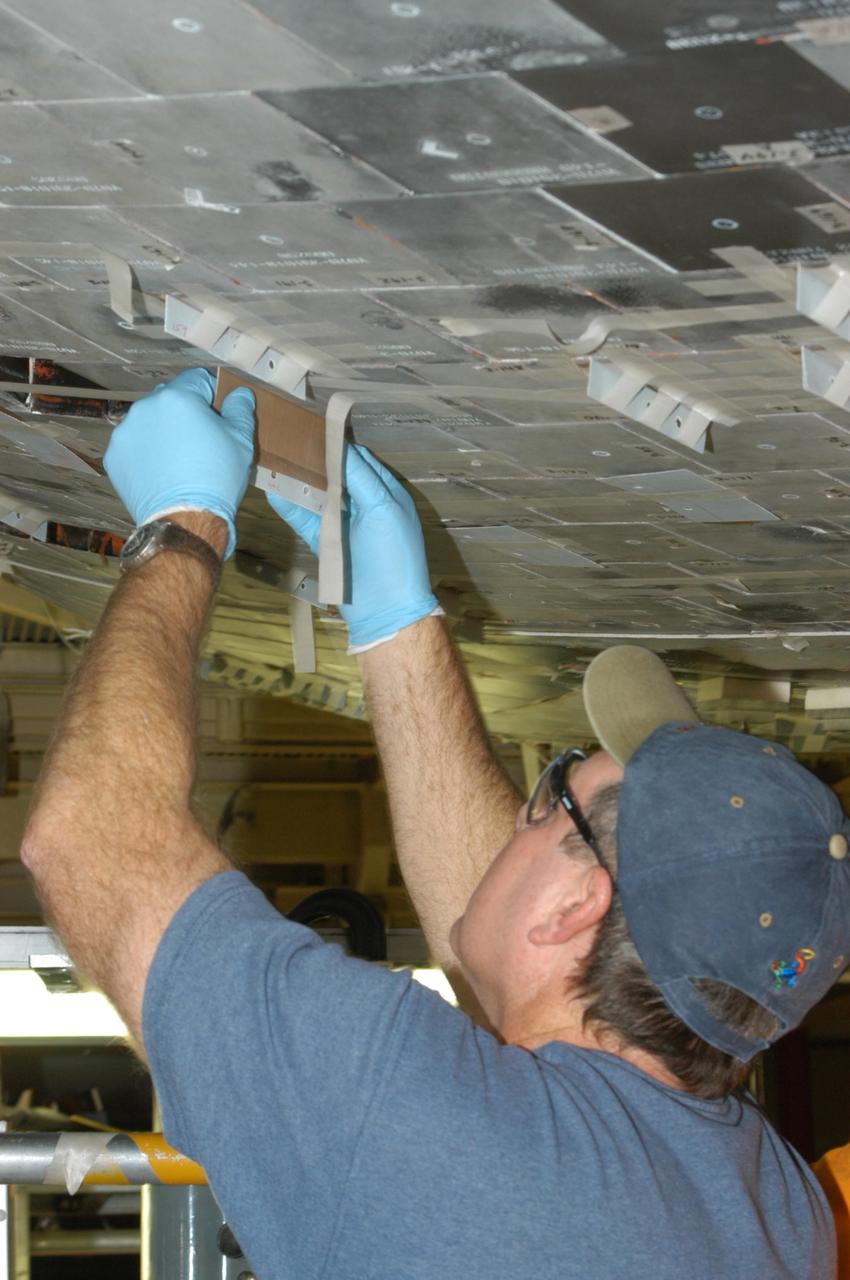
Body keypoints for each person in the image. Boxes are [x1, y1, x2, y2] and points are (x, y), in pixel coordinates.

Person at [21, 367, 850, 1280]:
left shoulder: (416, 1119)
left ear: (578, 905)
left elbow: (94, 844)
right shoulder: (765, 1201)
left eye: (555, 789)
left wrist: (179, 530)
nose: (529, 807)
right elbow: (520, 990)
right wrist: (396, 626)